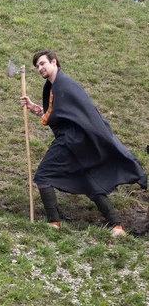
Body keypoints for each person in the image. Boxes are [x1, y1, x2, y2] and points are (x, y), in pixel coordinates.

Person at [21, 49, 147, 236]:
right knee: (90, 182)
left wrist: (44, 113)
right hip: (78, 142)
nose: (40, 68)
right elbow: (59, 114)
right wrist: (36, 109)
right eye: (37, 66)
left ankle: (53, 223)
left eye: (42, 64)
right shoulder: (55, 86)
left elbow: (74, 115)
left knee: (43, 176)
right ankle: (117, 226)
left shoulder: (65, 85)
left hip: (71, 141)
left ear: (54, 62)